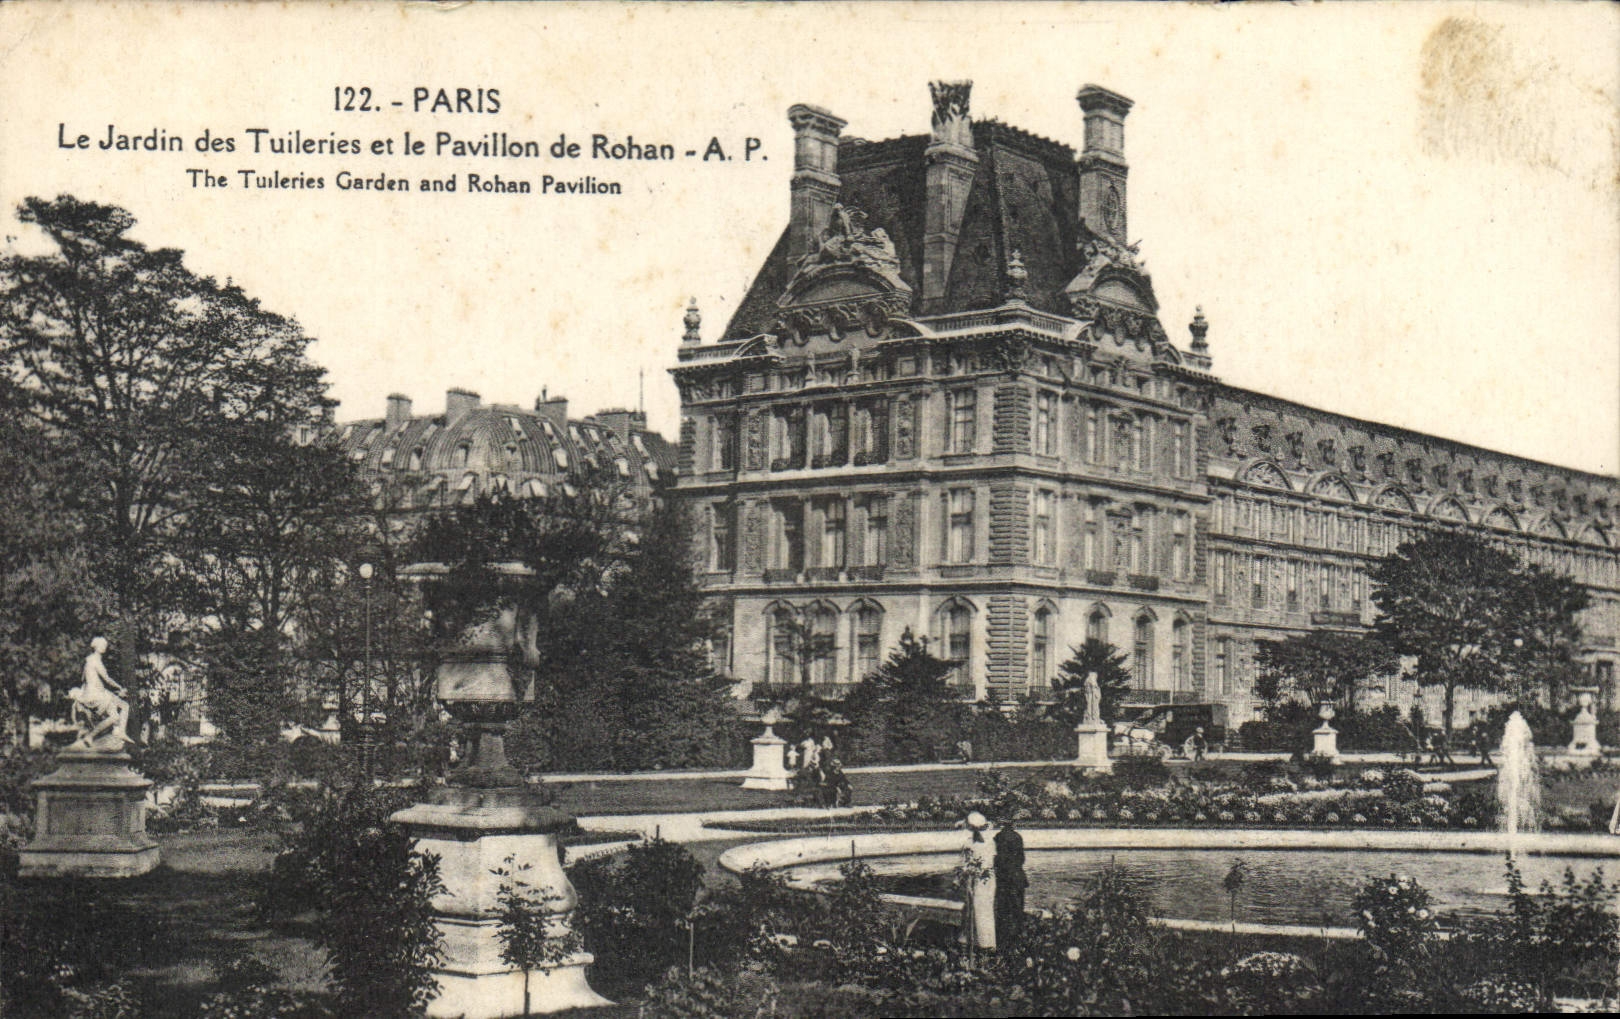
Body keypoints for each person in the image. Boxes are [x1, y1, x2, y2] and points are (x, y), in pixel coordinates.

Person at [72, 636, 130, 748]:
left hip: (93, 694)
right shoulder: (95, 660)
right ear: (96, 647)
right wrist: (120, 688)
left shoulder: (88, 660)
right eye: (102, 645)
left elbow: (83, 679)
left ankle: (94, 736)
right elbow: (106, 678)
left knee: (117, 714)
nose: (105, 647)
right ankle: (118, 732)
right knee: (123, 707)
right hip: (97, 695)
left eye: (105, 645)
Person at [992, 819, 1028, 948]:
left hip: (1003, 878)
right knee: (1017, 908)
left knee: (1003, 909)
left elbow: (996, 858)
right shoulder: (1017, 837)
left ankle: (1003, 939)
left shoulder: (997, 837)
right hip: (1017, 877)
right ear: (1012, 824)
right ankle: (1018, 937)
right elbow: (1021, 858)